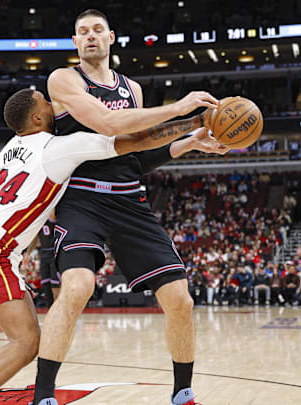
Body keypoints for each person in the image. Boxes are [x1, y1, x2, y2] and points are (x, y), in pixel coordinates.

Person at [0, 88, 225, 405]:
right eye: (46, 103)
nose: (54, 104)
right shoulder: (59, 148)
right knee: (26, 342)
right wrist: (193, 121)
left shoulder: (7, 150)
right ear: (37, 117)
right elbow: (132, 143)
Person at [34, 9, 220, 405]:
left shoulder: (131, 88)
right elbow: (106, 123)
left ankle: (182, 393)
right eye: (81, 31)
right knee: (78, 286)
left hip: (128, 197)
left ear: (111, 37)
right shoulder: (63, 79)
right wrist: (180, 109)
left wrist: (190, 141)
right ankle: (44, 395)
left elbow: (136, 154)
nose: (89, 36)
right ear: (74, 42)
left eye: (97, 30)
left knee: (180, 299)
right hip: (82, 197)